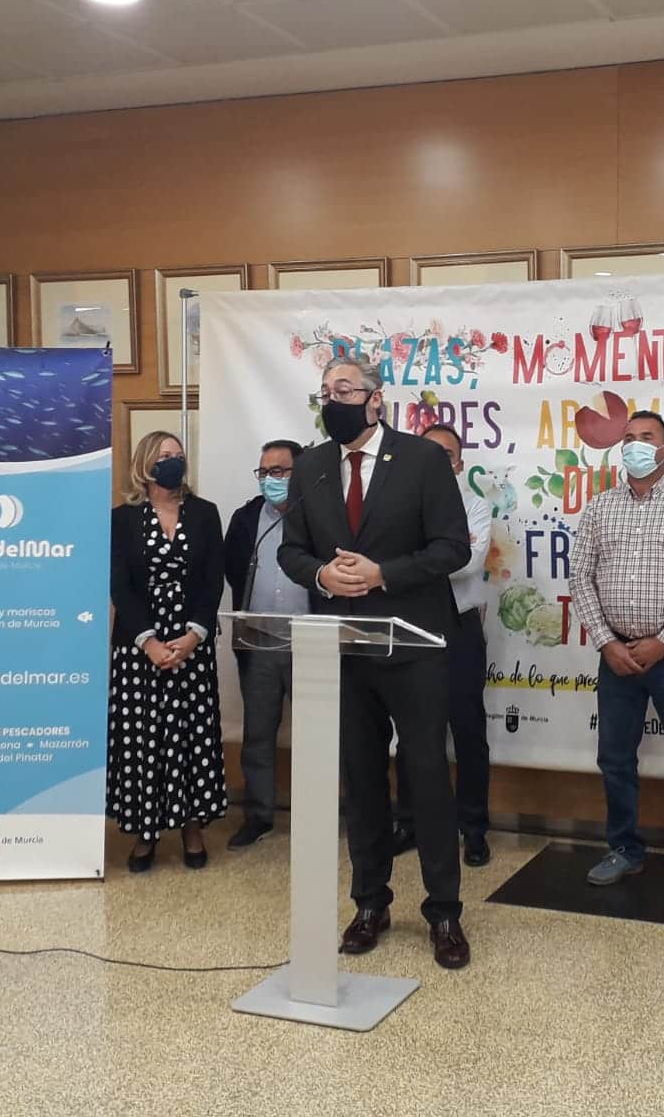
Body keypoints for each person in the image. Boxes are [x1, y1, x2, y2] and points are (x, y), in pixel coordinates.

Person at [277, 353, 474, 969]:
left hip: (414, 646)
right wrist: (323, 576)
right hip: (343, 648)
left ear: (375, 399)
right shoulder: (310, 466)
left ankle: (444, 912)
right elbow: (291, 551)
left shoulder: (421, 459)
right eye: (325, 391)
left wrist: (383, 572)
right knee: (361, 780)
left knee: (426, 777)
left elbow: (453, 548)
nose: (332, 400)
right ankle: (370, 904)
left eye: (344, 390)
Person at [568, 411, 664, 899]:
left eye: (647, 437)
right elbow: (580, 578)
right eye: (629, 438)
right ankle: (624, 849)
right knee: (614, 758)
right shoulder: (599, 508)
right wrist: (606, 642)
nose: (635, 445)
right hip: (615, 655)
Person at [107, 431, 227, 872]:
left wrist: (194, 634)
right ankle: (146, 833)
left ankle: (193, 827)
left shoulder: (205, 513)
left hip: (191, 645)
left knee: (192, 736)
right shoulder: (122, 519)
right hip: (139, 649)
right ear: (144, 464)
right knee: (144, 740)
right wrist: (149, 642)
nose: (172, 461)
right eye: (163, 455)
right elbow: (119, 584)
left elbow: (213, 578)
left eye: (178, 455)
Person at [390, 424, 494, 867]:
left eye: (445, 454)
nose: (435, 461)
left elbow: (466, 563)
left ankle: (473, 828)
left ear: (459, 463)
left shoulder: (475, 505)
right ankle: (409, 821)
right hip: (412, 625)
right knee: (411, 731)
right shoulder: (397, 505)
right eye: (427, 452)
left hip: (459, 626)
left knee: (468, 730)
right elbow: (392, 562)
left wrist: (412, 562)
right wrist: (431, 558)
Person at [222, 438, 308, 850]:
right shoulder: (246, 518)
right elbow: (231, 568)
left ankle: (315, 815)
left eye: (278, 471)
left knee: (318, 734)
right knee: (257, 733)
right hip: (258, 641)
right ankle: (258, 816)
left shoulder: (319, 514)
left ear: (299, 473)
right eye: (264, 472)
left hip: (311, 642)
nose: (269, 479)